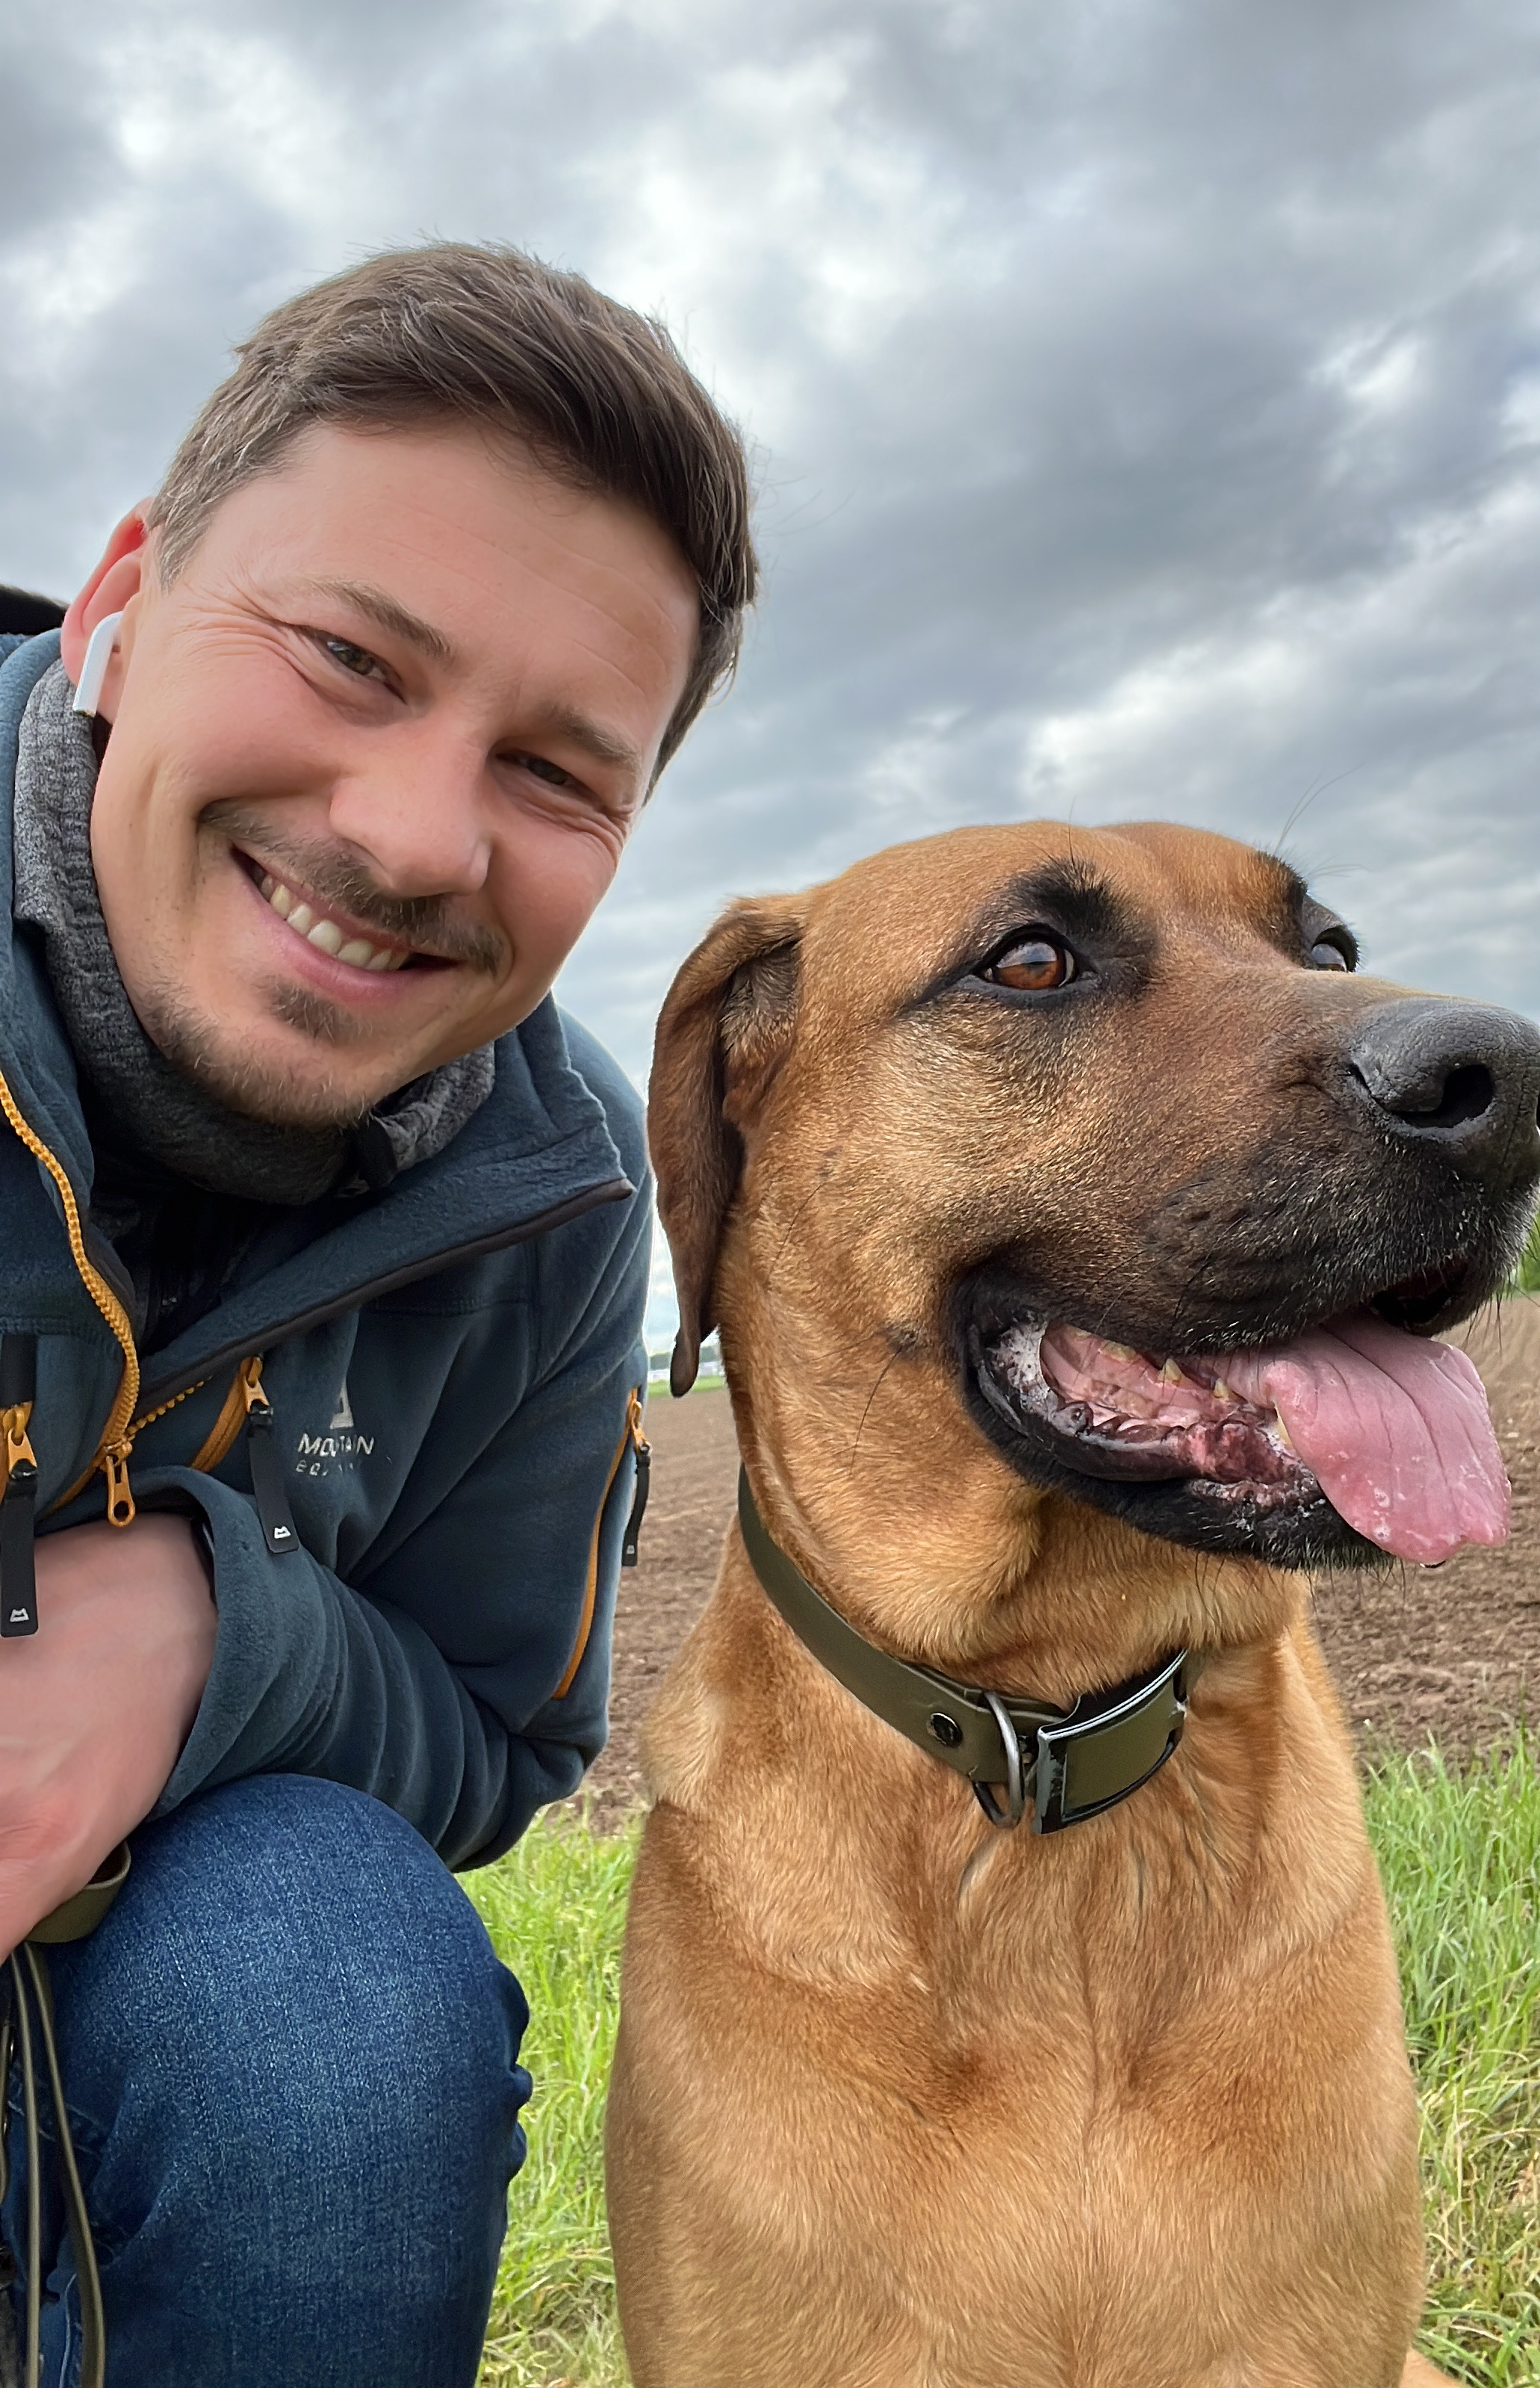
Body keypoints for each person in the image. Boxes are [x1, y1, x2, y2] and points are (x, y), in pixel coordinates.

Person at [0, 241, 755, 2387]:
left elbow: (505, 1736)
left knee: (330, 1989)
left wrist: (200, 1629)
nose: (416, 837)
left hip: (138, 1998)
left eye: (555, 772)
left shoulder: (565, 1186)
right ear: (123, 598)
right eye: (347, 656)